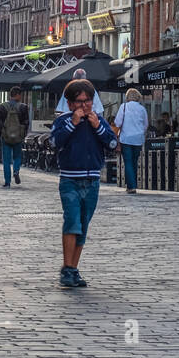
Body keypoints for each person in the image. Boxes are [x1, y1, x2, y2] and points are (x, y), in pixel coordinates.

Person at [51, 79, 115, 288]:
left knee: (83, 226)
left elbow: (113, 143)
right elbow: (55, 142)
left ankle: (74, 268)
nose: (84, 106)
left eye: (87, 101)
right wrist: (73, 123)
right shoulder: (63, 121)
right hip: (70, 178)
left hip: (92, 180)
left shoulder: (99, 121)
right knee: (72, 222)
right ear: (70, 104)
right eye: (79, 102)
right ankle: (67, 269)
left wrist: (98, 127)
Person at [113, 88, 149, 194]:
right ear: (138, 97)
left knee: (128, 161)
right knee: (134, 161)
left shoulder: (123, 107)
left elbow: (117, 123)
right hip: (138, 138)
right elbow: (146, 125)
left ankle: (131, 186)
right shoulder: (142, 109)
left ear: (127, 97)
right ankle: (131, 185)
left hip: (126, 138)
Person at [0, 86, 30, 187]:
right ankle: (16, 170)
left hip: (6, 136)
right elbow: (26, 122)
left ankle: (7, 181)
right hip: (18, 136)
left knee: (6, 160)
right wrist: (24, 134)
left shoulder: (2, 107)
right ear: (18, 95)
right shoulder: (23, 107)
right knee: (17, 156)